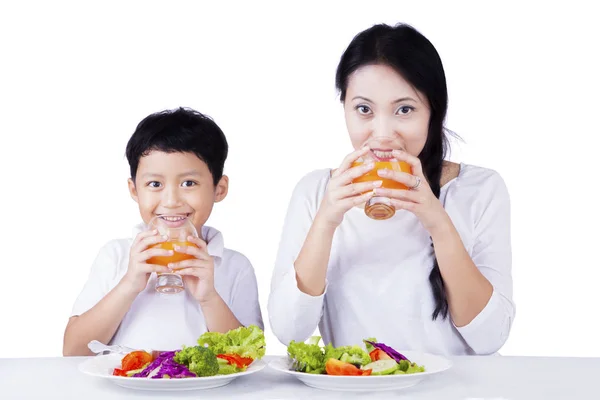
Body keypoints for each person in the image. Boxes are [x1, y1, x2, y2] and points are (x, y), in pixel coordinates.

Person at [268, 23, 514, 356]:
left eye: (404, 110)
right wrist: (326, 220)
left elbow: (490, 339)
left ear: (433, 112)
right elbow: (288, 331)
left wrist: (436, 221)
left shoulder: (479, 190)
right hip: (352, 389)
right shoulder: (315, 192)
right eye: (364, 110)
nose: (382, 134)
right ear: (345, 108)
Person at [63, 107, 263, 356]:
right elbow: (73, 351)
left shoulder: (235, 266)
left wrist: (209, 297)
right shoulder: (115, 255)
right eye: (154, 184)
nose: (171, 200)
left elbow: (251, 357)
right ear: (134, 190)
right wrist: (129, 284)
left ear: (219, 189)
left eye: (189, 183)